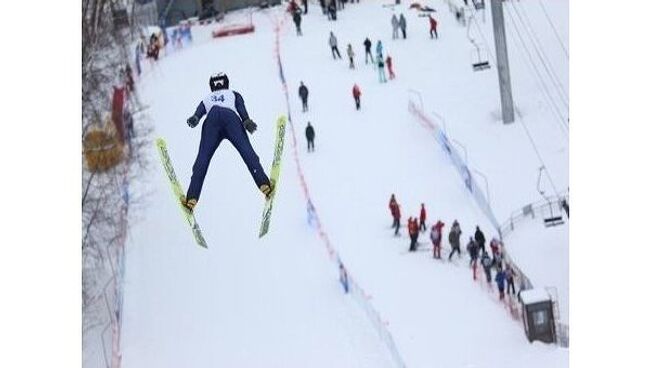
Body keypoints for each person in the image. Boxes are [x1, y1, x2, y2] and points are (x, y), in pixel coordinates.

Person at [181, 73, 272, 212]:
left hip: (212, 120)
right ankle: (263, 184)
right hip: (230, 119)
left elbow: (200, 111)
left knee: (203, 158)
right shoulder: (233, 93)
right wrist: (246, 120)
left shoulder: (207, 98)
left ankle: (192, 197)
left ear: (212, 85)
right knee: (246, 151)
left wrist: (196, 118)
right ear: (226, 83)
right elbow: (240, 106)